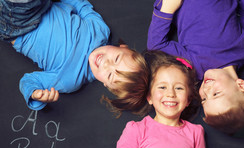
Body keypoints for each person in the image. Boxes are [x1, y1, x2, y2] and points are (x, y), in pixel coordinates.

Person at [147, 0, 244, 134]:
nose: (206, 90)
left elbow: (156, 45)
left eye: (204, 99)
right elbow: (241, 11)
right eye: (216, 94)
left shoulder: (195, 66)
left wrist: (167, 8)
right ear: (241, 85)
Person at [0, 0, 148, 111]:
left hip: (17, 27)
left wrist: (35, 94)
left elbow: (29, 80)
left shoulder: (70, 80)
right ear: (122, 47)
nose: (106, 63)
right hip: (43, 5)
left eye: (109, 75)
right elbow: (81, 6)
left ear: (106, 85)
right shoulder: (100, 30)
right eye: (116, 59)